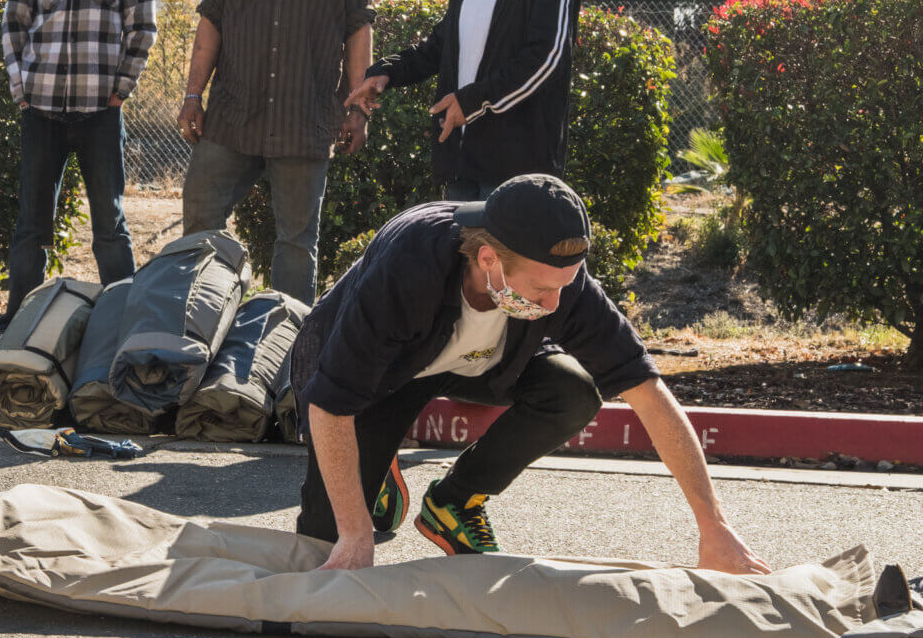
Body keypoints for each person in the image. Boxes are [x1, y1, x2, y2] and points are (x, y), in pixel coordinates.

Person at [292, 174, 770, 575]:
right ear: (488, 261)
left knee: (572, 389)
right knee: (327, 544)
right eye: (542, 289)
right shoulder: (410, 266)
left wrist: (715, 528)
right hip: (378, 379)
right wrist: (355, 536)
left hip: (478, 361)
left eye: (565, 285)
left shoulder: (560, 282)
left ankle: (454, 501)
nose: (555, 304)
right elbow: (331, 403)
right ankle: (376, 465)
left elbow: (648, 392)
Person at [177, 0, 375, 305]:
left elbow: (358, 30)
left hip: (305, 119)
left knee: (296, 244)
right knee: (200, 220)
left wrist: (358, 108)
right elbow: (211, 22)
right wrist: (193, 95)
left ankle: (288, 354)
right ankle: (198, 321)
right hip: (232, 115)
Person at [346, 0, 580, 201]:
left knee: (502, 255)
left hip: (518, 168)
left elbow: (546, 59)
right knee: (458, 253)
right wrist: (386, 73)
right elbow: (441, 45)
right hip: (460, 162)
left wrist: (471, 102)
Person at [0, 0, 156, 328]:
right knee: (30, 227)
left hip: (100, 111)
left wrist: (121, 89)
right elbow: (14, 21)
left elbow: (143, 23)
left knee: (109, 224)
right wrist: (21, 91)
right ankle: (19, 321)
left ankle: (122, 321)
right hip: (40, 109)